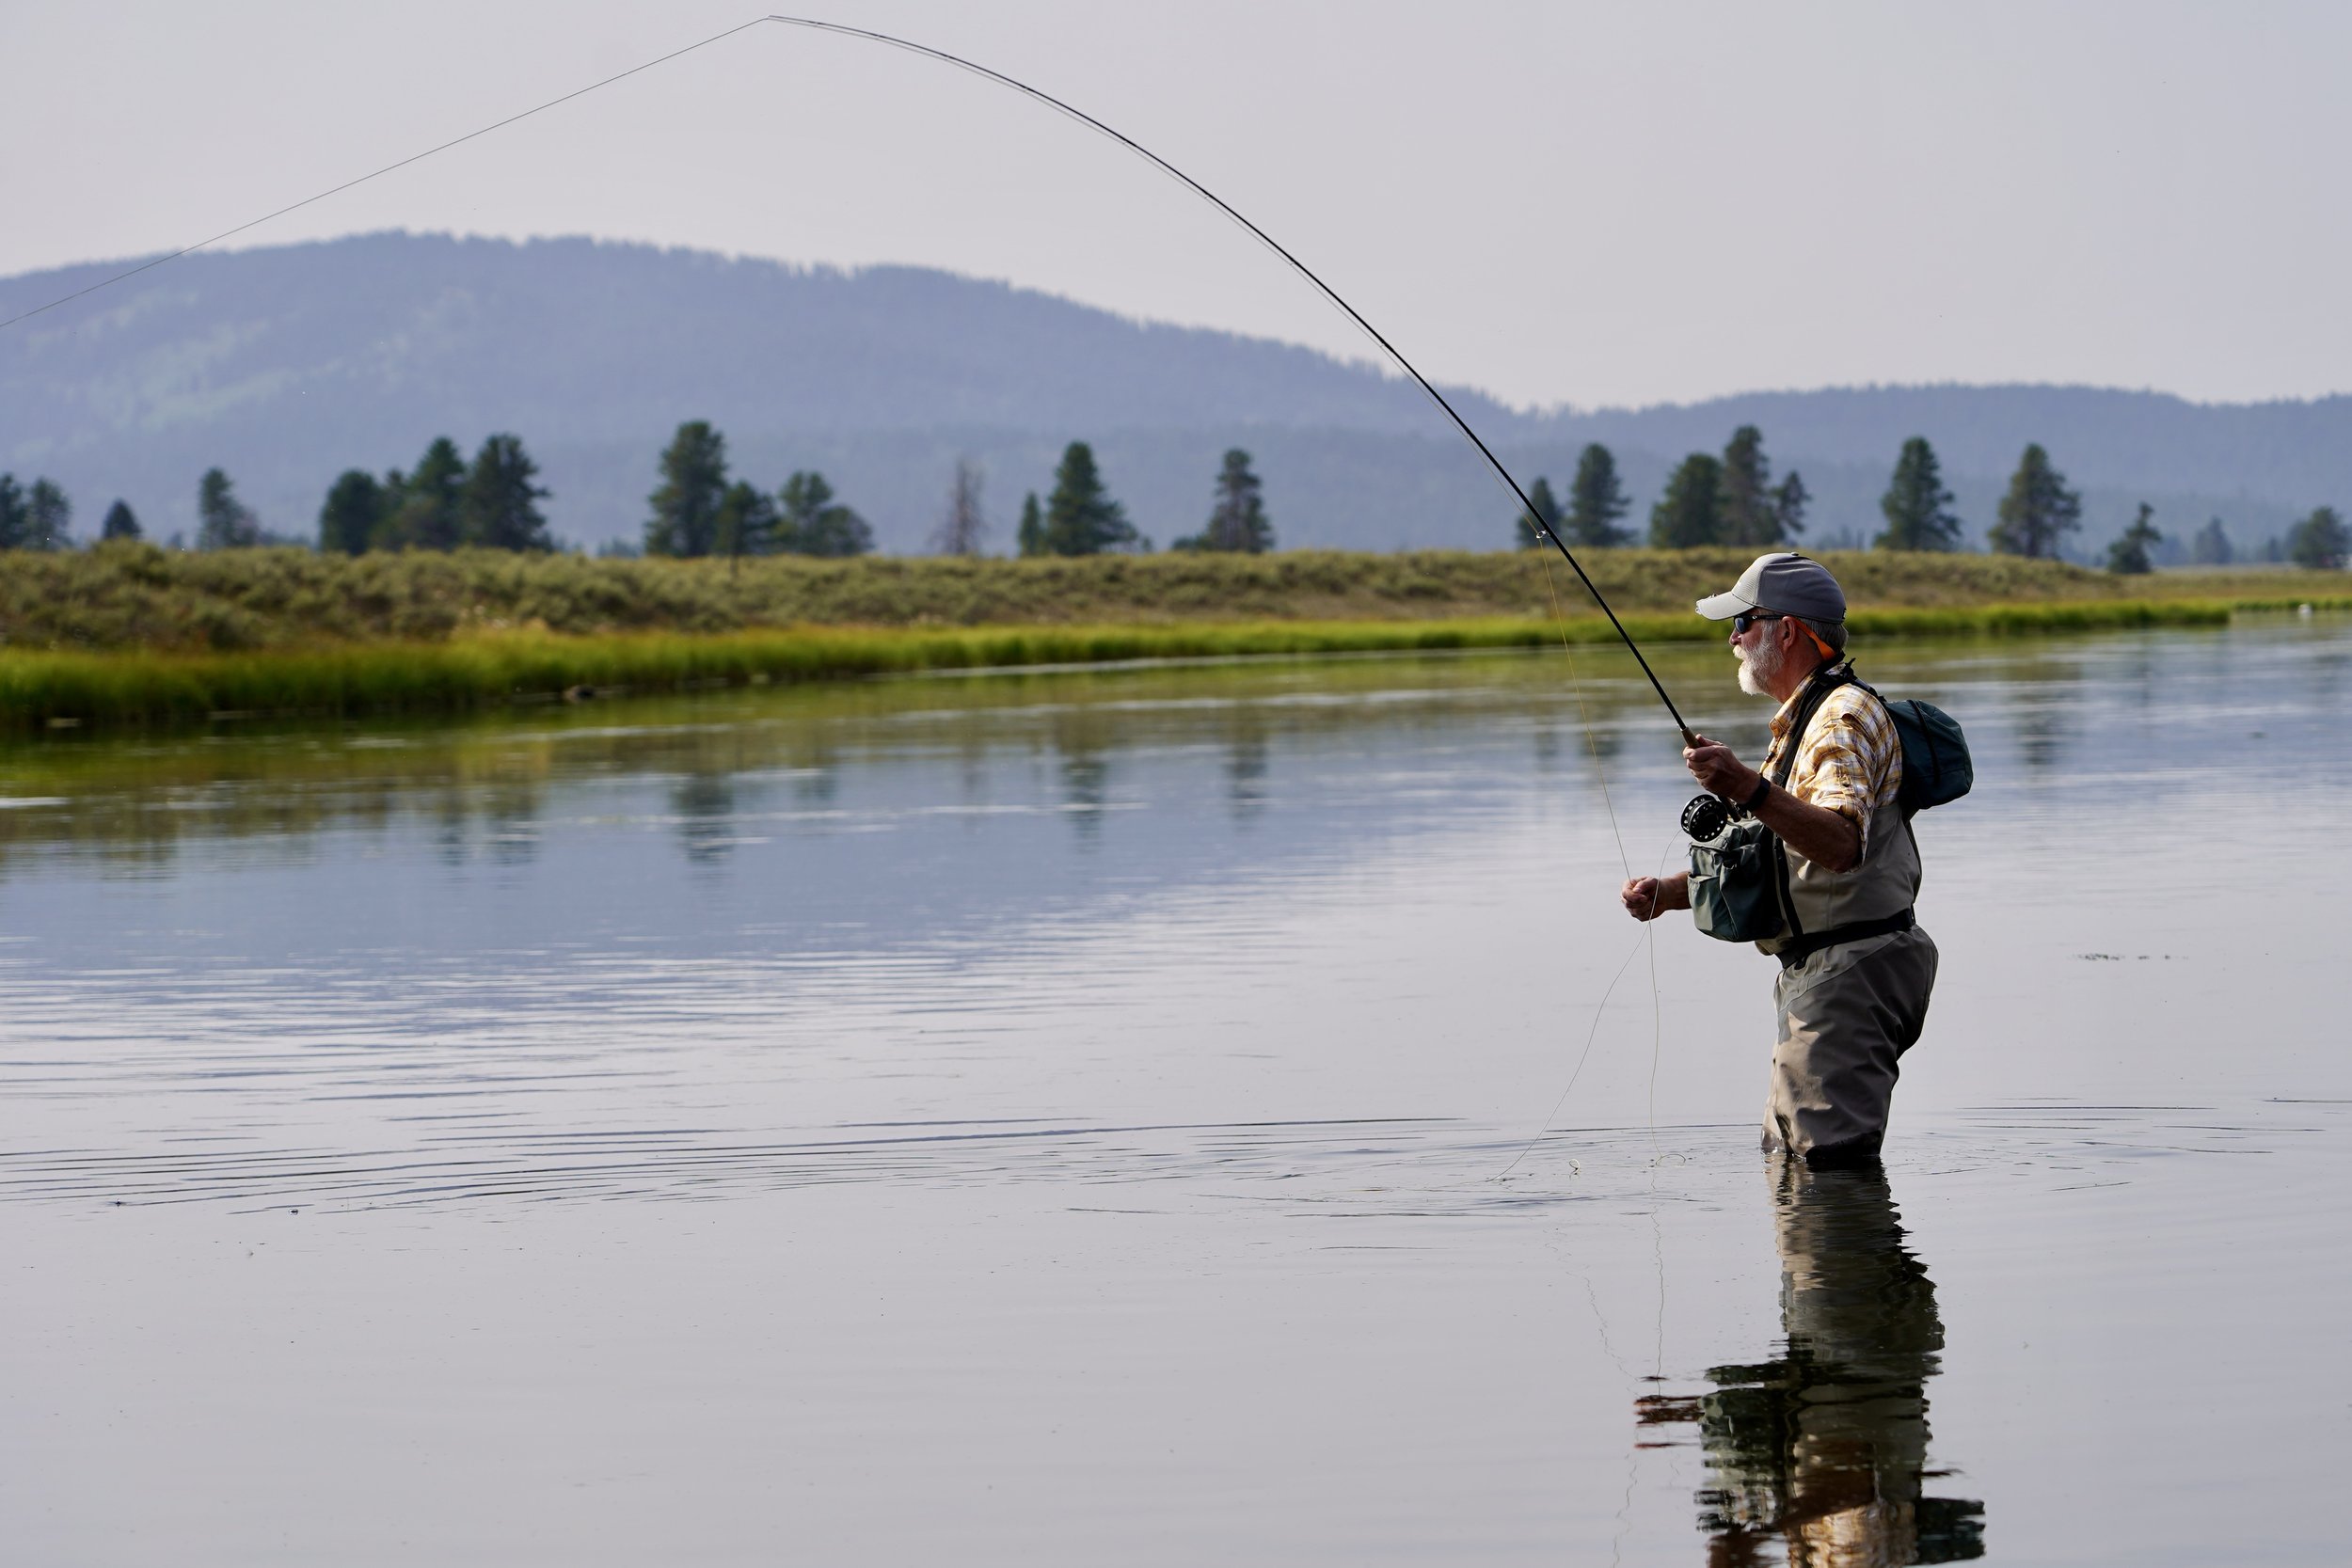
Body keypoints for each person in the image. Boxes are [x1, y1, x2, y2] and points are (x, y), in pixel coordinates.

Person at [1619, 552, 1937, 1166]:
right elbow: (1782, 859)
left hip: (1850, 974)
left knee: (1825, 1179)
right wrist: (1671, 892)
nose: (1733, 639)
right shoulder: (1804, 723)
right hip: (1829, 974)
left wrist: (1745, 786)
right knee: (1790, 1166)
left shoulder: (1841, 719)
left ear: (1786, 630)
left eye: (1743, 623)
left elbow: (1841, 844)